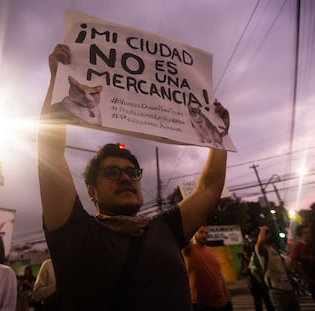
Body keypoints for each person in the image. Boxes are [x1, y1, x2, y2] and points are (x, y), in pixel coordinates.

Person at [37, 43, 230, 310]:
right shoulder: (74, 233)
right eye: (112, 173)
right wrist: (56, 82)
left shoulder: (167, 229)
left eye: (132, 172)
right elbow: (50, 152)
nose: (126, 178)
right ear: (91, 190)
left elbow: (209, 188)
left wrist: (219, 134)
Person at [182, 226, 232, 311]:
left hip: (222, 302)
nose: (205, 235)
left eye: (206, 233)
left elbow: (219, 274)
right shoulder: (188, 249)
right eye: (201, 232)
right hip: (201, 304)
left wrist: (228, 296)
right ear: (193, 233)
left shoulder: (211, 250)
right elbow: (183, 232)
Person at [255, 225, 300, 311]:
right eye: (266, 234)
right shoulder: (262, 251)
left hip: (289, 288)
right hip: (277, 290)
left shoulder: (275, 249)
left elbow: (287, 265)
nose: (269, 235)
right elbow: (260, 243)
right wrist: (263, 229)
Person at [240, 244, 274, 311]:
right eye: (246, 253)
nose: (247, 254)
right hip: (253, 284)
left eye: (249, 252)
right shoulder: (243, 260)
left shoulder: (255, 258)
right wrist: (248, 269)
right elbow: (242, 272)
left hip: (261, 282)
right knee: (258, 302)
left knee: (268, 300)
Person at [289, 224, 315, 299]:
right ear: (300, 235)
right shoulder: (297, 247)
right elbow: (293, 263)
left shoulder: (312, 245)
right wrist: (305, 277)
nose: (308, 234)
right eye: (305, 233)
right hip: (311, 278)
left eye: (309, 232)